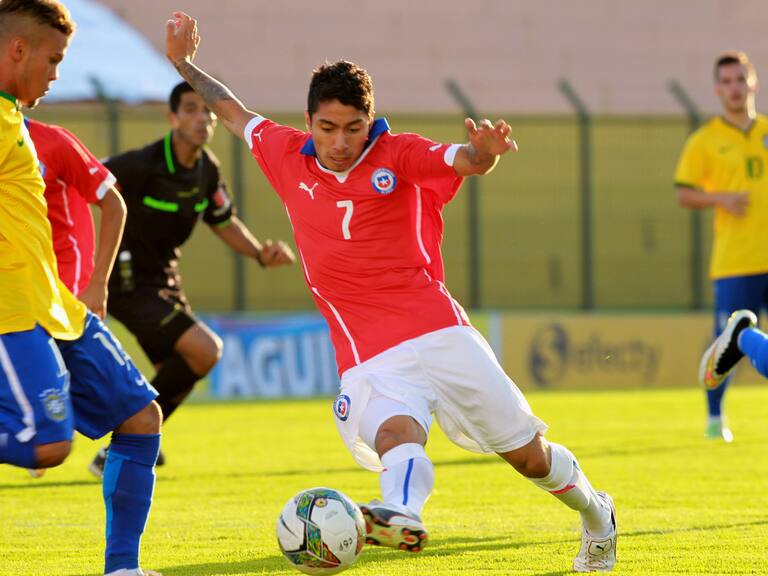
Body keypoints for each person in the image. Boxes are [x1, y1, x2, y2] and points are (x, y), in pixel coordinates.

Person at [165, 12, 617, 572]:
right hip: (366, 352)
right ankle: (399, 511)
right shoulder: (283, 151)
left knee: (528, 458)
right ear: (308, 121)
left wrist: (486, 153)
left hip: (438, 331)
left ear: (370, 121)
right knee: (395, 435)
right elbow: (231, 110)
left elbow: (462, 160)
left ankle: (597, 514)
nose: (338, 141)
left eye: (352, 127)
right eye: (326, 127)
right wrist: (185, 64)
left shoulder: (398, 155)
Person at [0, 2, 161, 574]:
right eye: (54, 58)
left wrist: (91, 287)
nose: (57, 73)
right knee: (49, 446)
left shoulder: (15, 118)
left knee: (142, 418)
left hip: (54, 304)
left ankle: (123, 568)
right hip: (12, 311)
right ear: (18, 49)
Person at [87, 81, 295, 477]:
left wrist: (259, 254)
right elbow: (86, 176)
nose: (202, 119)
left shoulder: (207, 171)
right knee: (205, 350)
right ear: (173, 118)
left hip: (165, 281)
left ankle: (133, 442)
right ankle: (126, 438)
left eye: (208, 112)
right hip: (128, 282)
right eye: (191, 109)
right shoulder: (143, 164)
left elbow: (223, 220)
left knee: (179, 368)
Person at [675, 51, 768, 442]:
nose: (735, 87)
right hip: (733, 262)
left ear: (753, 82)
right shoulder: (705, 141)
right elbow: (684, 194)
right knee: (723, 351)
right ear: (717, 89)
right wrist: (722, 199)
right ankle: (715, 420)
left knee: (733, 339)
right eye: (727, 81)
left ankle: (743, 337)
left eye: (740, 79)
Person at [27, 117, 126, 317]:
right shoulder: (9, 143)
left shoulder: (52, 141)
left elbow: (114, 205)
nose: (51, 82)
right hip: (21, 285)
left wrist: (98, 285)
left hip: (68, 282)